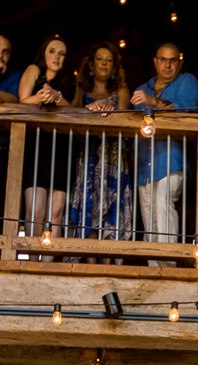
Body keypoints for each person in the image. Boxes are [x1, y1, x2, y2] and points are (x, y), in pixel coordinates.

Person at [131, 42, 198, 247]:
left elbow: (185, 111)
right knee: (149, 218)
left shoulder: (187, 81)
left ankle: (168, 261)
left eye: (173, 60)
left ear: (180, 62)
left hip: (172, 159)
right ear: (155, 61)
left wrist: (152, 102)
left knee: (163, 202)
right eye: (163, 59)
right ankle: (154, 269)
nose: (167, 65)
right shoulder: (142, 88)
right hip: (144, 163)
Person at [68, 41, 133, 241]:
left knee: (111, 204)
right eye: (99, 59)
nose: (104, 64)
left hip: (112, 157)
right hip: (88, 154)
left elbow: (126, 118)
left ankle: (108, 260)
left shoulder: (121, 90)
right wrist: (86, 112)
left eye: (109, 60)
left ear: (114, 67)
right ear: (91, 64)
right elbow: (71, 115)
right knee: (89, 202)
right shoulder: (81, 89)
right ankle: (88, 258)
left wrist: (111, 113)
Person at [19, 35, 71, 239]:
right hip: (37, 143)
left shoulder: (70, 80)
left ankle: (48, 263)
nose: (56, 57)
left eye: (62, 54)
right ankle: (32, 259)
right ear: (43, 53)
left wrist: (56, 96)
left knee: (56, 213)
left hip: (61, 145)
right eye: (52, 51)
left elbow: (74, 108)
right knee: (35, 211)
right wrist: (39, 97)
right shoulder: (34, 70)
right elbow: (22, 101)